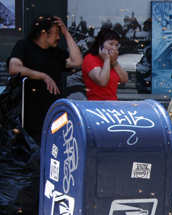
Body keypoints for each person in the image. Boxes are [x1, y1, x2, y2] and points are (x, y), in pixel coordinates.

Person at [7, 14, 82, 146]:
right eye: (56, 33)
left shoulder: (56, 53)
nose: (58, 37)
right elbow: (14, 68)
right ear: (43, 32)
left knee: (56, 149)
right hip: (31, 115)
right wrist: (43, 75)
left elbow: (77, 61)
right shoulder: (24, 46)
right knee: (36, 153)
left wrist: (66, 33)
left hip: (54, 113)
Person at [81, 29, 128, 101]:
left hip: (112, 103)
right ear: (100, 45)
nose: (114, 48)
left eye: (116, 45)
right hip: (96, 104)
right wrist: (106, 60)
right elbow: (102, 82)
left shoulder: (111, 60)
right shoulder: (90, 58)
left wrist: (114, 62)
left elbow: (124, 79)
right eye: (111, 44)